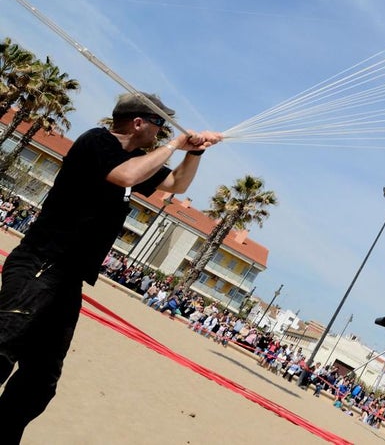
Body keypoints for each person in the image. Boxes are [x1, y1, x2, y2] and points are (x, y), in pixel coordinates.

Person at [0, 92, 222, 441]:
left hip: (68, 277)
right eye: (160, 124)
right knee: (3, 348)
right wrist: (176, 144)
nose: (162, 133)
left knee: (41, 380)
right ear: (138, 122)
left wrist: (194, 153)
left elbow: (176, 184)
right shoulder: (98, 142)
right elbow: (123, 176)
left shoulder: (138, 159)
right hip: (42, 262)